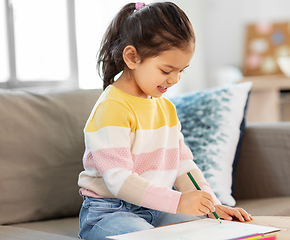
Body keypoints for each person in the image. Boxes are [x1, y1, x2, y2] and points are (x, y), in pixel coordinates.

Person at [77, 2, 252, 239]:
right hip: (109, 212)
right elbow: (119, 180)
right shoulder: (112, 108)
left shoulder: (165, 107)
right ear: (132, 57)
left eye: (182, 70)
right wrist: (179, 202)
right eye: (166, 70)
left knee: (210, 230)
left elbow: (182, 164)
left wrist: (211, 205)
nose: (175, 79)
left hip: (157, 208)